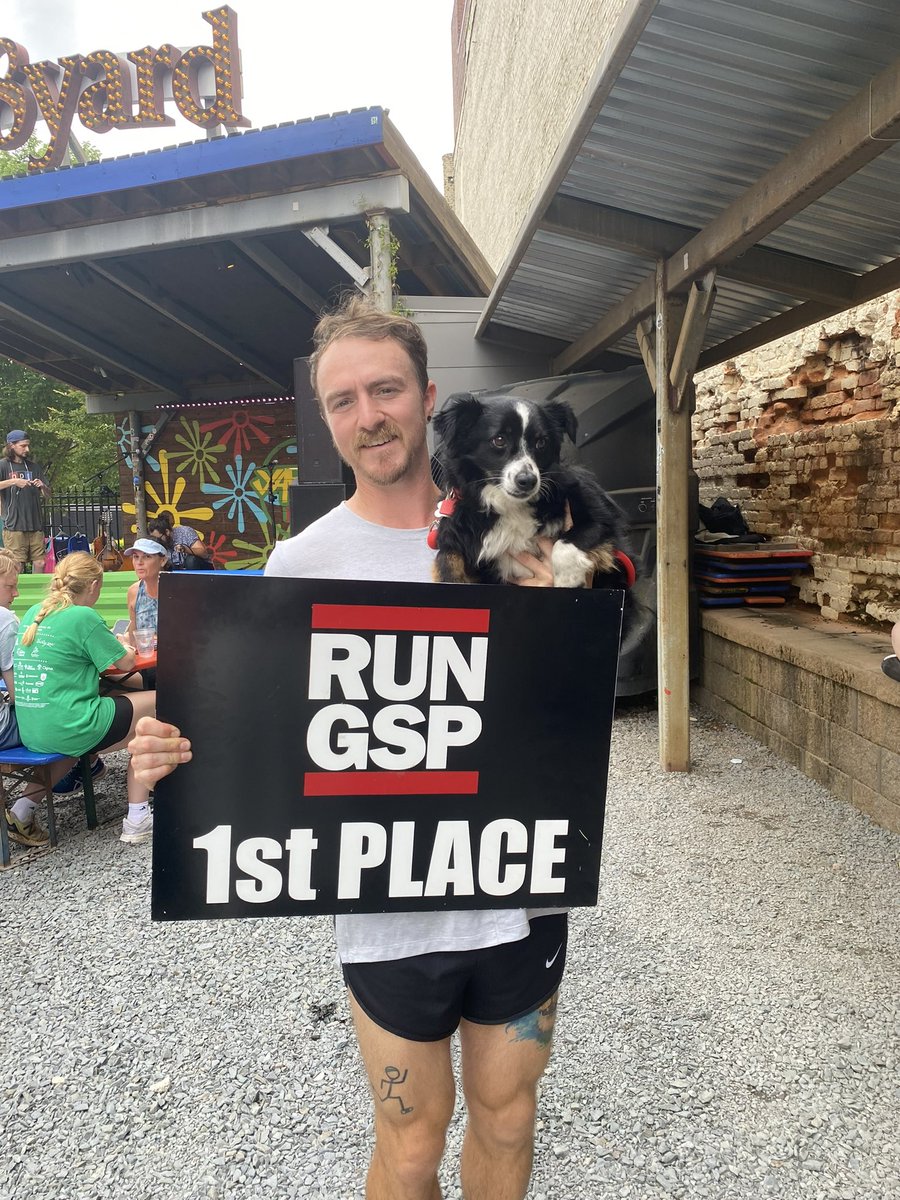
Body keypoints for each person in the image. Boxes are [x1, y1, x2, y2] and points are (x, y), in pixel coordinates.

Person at [129, 296, 571, 1200]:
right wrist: (166, 755)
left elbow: (570, 717)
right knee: (411, 1143)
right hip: (384, 899)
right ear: (326, 419)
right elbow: (247, 733)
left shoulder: (527, 541)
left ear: (429, 399)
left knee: (510, 1118)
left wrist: (560, 618)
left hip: (517, 883)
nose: (368, 415)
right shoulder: (300, 565)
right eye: (343, 400)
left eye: (386, 389)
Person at [14, 552, 157, 844]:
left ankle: (21, 811)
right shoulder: (83, 616)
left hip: (33, 726)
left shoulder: (34, 612)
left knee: (96, 719)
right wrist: (123, 643)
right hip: (71, 724)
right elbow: (127, 664)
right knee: (157, 708)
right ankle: (138, 818)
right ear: (93, 585)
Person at [0, 549, 54, 845]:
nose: (16, 593)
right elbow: (19, 689)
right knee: (68, 726)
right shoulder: (5, 620)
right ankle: (22, 812)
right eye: (9, 586)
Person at [0, 429, 50, 573]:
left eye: (28, 445)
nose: (27, 449)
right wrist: (14, 482)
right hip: (14, 525)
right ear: (11, 446)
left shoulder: (34, 467)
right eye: (23, 446)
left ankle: (37, 594)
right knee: (17, 565)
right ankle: (16, 594)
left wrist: (43, 486)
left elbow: (48, 495)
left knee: (40, 563)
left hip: (35, 524)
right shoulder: (3, 465)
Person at [122, 537, 168, 689]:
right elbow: (134, 632)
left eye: (147, 557)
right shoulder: (134, 591)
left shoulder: (175, 589)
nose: (139, 562)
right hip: (146, 664)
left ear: (162, 560)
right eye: (136, 557)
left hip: (174, 662)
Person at [147, 513, 211, 570]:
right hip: (176, 572)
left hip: (199, 569)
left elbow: (203, 552)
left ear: (167, 532)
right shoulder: (159, 545)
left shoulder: (185, 531)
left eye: (159, 538)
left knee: (191, 560)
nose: (158, 542)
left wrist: (186, 549)